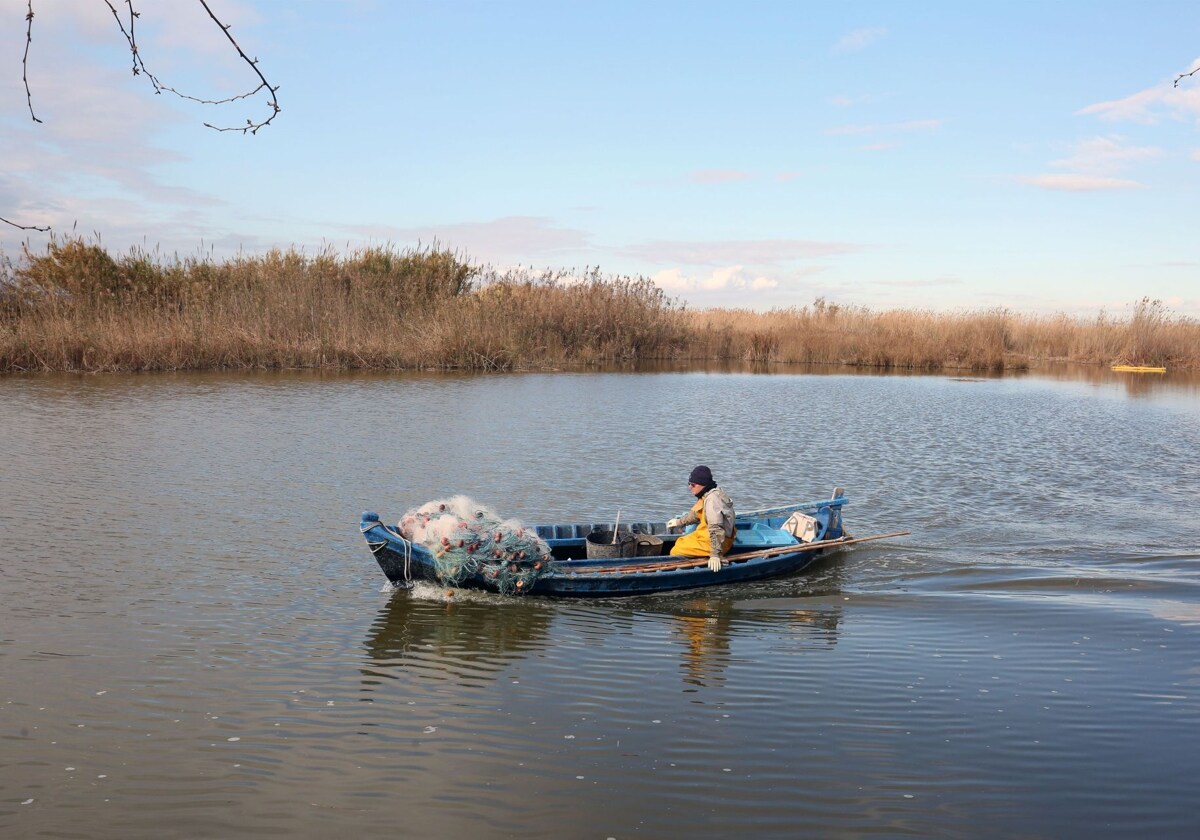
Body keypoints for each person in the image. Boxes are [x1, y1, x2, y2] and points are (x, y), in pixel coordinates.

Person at [667, 465, 736, 571]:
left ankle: (700, 561)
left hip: (719, 541)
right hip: (707, 534)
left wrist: (715, 555)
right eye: (689, 484)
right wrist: (679, 522)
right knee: (680, 540)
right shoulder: (708, 493)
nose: (690, 487)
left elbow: (716, 528)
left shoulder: (712, 501)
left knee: (675, 550)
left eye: (693, 484)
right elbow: (696, 514)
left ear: (702, 484)